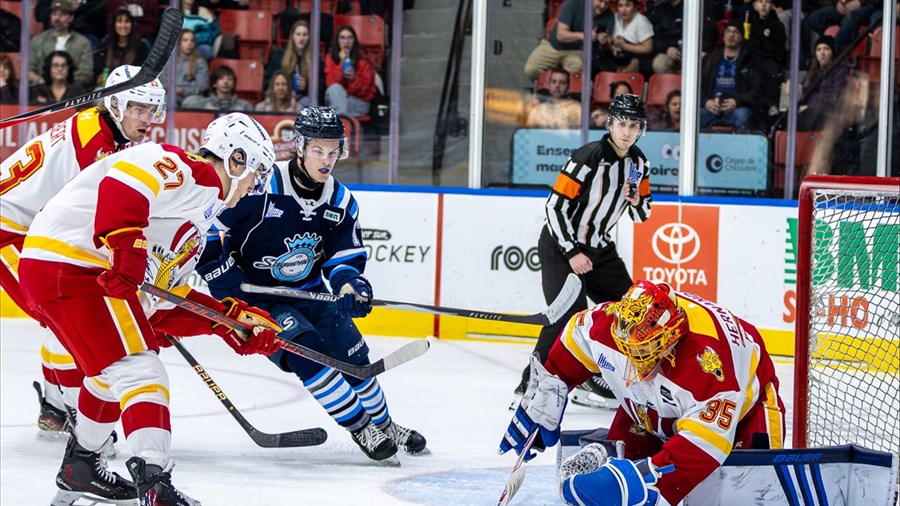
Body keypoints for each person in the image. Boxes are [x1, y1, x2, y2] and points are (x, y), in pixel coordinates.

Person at [18, 113, 281, 506]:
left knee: (109, 373)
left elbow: (160, 299)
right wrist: (125, 244)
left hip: (63, 270)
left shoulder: (193, 222)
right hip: (72, 263)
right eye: (255, 173)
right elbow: (124, 181)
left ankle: (81, 468)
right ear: (235, 159)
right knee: (140, 368)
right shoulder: (195, 173)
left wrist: (226, 321)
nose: (253, 187)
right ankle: (155, 482)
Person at [196, 106, 427, 463]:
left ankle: (386, 424)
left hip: (310, 292)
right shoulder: (261, 183)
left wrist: (350, 286)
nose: (326, 159)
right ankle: (362, 426)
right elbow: (208, 223)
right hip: (260, 303)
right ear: (299, 147)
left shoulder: (340, 201)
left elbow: (344, 255)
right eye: (318, 150)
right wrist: (224, 277)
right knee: (308, 357)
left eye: (333, 151)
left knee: (355, 359)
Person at [500, 279, 786, 506]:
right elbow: (574, 338)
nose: (637, 367)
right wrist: (549, 394)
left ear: (672, 335)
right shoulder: (611, 325)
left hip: (746, 413)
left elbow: (702, 447)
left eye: (648, 353)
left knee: (746, 492)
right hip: (649, 408)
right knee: (616, 474)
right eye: (631, 352)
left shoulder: (710, 367)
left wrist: (647, 480)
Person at [2, 65, 166, 439]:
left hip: (27, 228)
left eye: (152, 110)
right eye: (139, 108)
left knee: (61, 315)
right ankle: (70, 407)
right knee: (61, 313)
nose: (148, 119)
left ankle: (55, 405)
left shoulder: (99, 125)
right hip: (7, 231)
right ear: (116, 103)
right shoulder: (96, 143)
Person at [512, 93, 652, 409]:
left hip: (601, 250)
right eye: (621, 124)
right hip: (561, 247)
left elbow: (643, 214)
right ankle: (529, 387)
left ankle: (593, 376)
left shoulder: (639, 164)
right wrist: (572, 251)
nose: (626, 132)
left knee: (630, 314)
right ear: (610, 124)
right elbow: (555, 207)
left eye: (633, 125)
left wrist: (635, 201)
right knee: (564, 316)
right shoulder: (588, 156)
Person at [698, 19, 763, 132]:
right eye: (728, 31)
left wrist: (737, 101)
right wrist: (706, 102)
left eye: (736, 32)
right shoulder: (710, 58)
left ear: (742, 37)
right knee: (696, 115)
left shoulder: (751, 59)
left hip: (738, 108)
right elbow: (698, 86)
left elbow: (757, 90)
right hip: (712, 108)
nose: (731, 35)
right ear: (723, 36)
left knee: (743, 115)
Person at [524, 0, 614, 81]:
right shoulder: (573, 4)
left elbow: (606, 46)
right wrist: (583, 35)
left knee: (577, 70)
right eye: (600, 1)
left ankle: (563, 92)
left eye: (606, 3)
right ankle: (550, 87)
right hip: (554, 46)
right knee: (531, 70)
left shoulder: (609, 16)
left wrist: (603, 42)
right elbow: (561, 36)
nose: (603, 6)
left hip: (578, 51)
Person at [28, 0, 94, 88]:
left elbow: (86, 74)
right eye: (54, 14)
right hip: (41, 90)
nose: (57, 18)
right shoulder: (37, 41)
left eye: (62, 14)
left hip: (72, 92)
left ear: (71, 18)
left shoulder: (83, 43)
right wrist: (41, 81)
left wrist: (63, 82)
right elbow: (28, 70)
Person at [797, 35, 850, 131]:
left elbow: (837, 97)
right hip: (811, 113)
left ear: (832, 52)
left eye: (826, 49)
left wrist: (810, 107)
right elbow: (804, 89)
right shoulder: (813, 71)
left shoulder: (841, 70)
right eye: (818, 49)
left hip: (827, 114)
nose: (822, 53)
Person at [265, 19, 322, 106]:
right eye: (298, 34)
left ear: (309, 37)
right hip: (281, 98)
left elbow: (321, 88)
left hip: (303, 99)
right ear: (293, 36)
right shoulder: (280, 55)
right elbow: (267, 80)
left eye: (305, 35)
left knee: (308, 103)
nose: (301, 38)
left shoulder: (315, 58)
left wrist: (307, 87)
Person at [325, 25, 376, 117]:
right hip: (336, 100)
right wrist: (341, 64)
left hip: (358, 102)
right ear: (337, 41)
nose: (346, 41)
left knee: (335, 108)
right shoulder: (330, 58)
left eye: (350, 38)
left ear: (354, 41)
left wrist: (353, 78)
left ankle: (339, 123)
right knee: (335, 89)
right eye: (342, 38)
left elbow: (364, 90)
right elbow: (331, 84)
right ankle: (344, 122)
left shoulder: (363, 61)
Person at [592, 0, 654, 76]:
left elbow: (648, 49)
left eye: (627, 6)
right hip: (615, 54)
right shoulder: (613, 18)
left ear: (635, 7)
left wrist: (624, 46)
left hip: (634, 55)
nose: (624, 10)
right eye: (620, 6)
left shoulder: (641, 21)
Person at [93, 6, 150, 87]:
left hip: (133, 89)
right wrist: (98, 78)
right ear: (114, 25)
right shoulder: (106, 44)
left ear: (132, 25)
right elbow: (97, 70)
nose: (123, 25)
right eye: (119, 21)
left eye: (127, 21)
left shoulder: (141, 47)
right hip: (107, 88)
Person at [181, 64, 253, 112]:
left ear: (234, 84)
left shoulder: (245, 106)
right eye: (221, 78)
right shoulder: (201, 105)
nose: (226, 82)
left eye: (230, 79)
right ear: (214, 83)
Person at [169, 29, 210, 107]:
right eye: (185, 40)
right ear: (179, 43)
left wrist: (183, 90)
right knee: (166, 101)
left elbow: (202, 85)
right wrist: (171, 88)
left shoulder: (200, 61)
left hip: (192, 96)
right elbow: (162, 80)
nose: (189, 43)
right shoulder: (170, 61)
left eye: (192, 41)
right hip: (171, 93)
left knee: (190, 103)